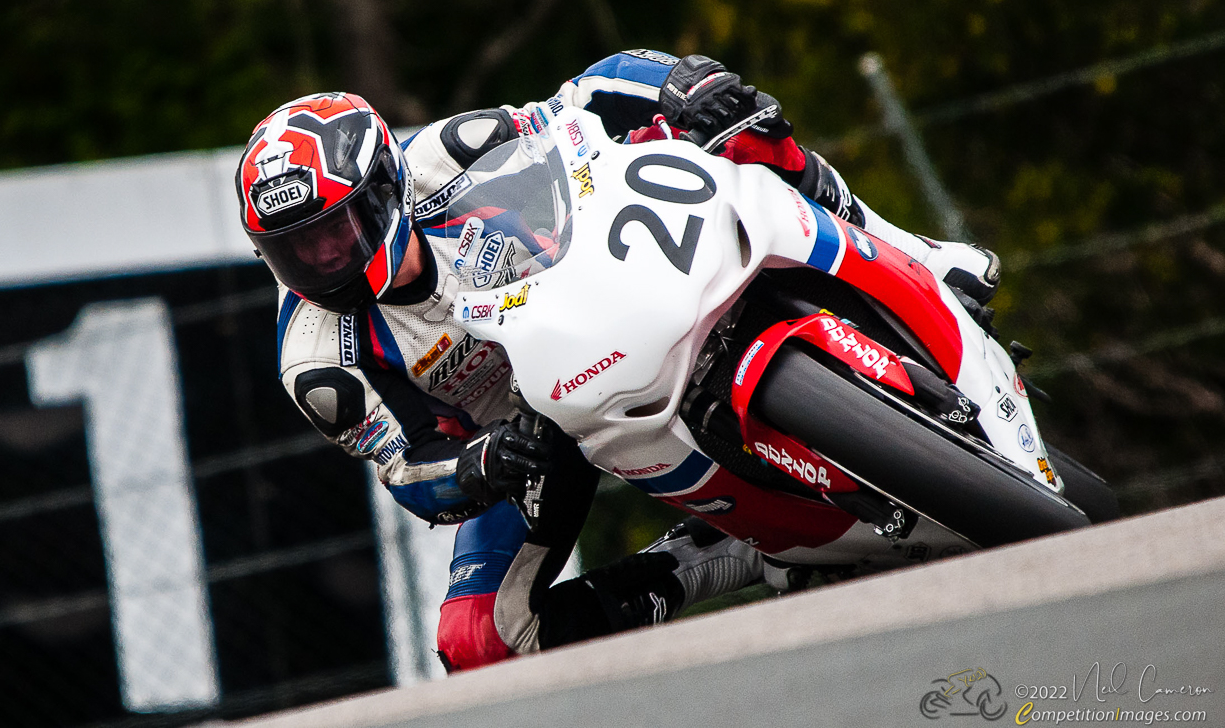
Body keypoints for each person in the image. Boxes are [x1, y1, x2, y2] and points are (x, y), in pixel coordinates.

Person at [235, 50, 1001, 672]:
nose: (322, 258)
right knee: (480, 640)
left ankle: (918, 253)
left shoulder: (443, 155)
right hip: (525, 434)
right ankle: (724, 556)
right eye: (294, 247)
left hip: (598, 291)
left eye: (334, 230)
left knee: (744, 126)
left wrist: (679, 83)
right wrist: (481, 465)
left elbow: (581, 98)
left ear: (386, 186)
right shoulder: (316, 362)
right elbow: (408, 468)